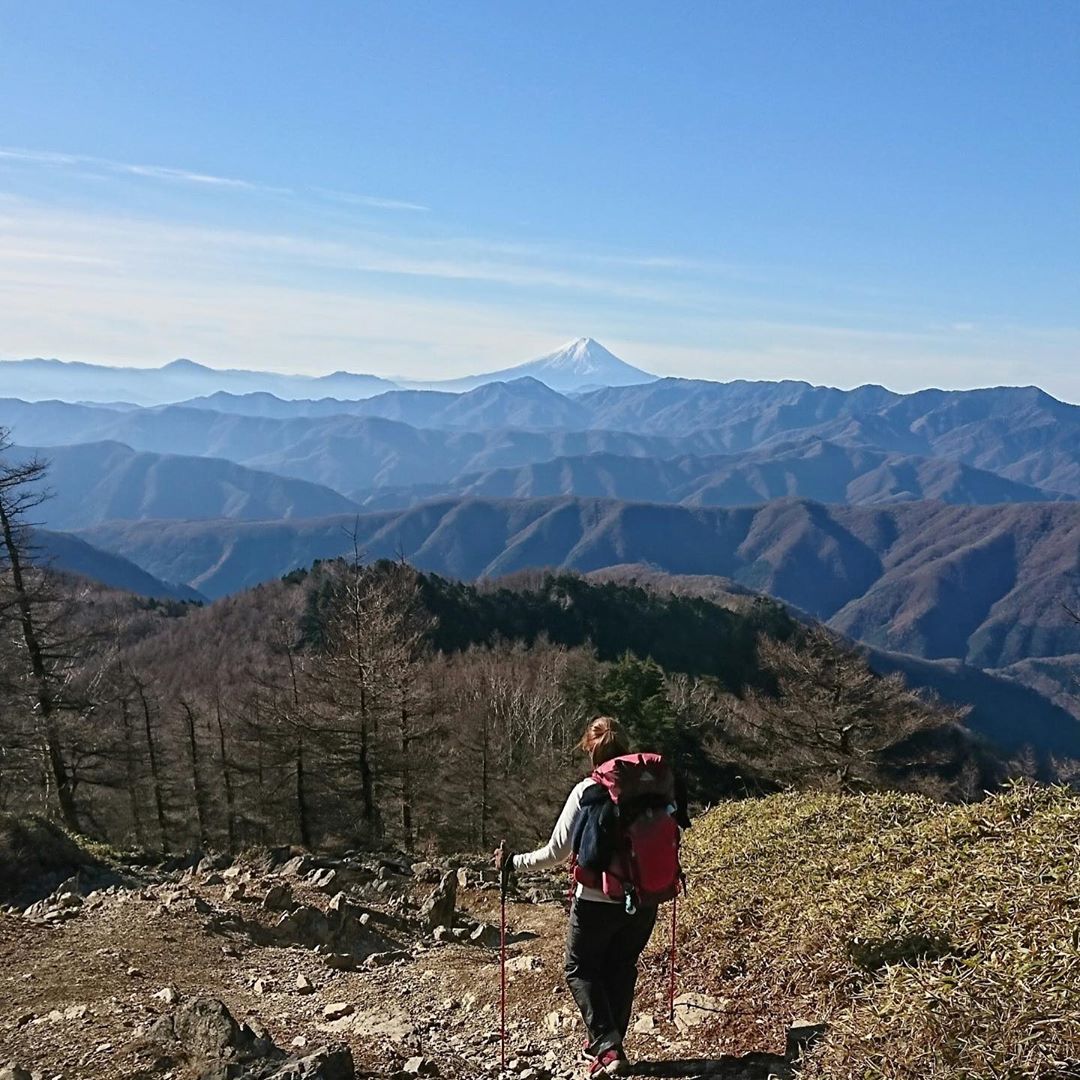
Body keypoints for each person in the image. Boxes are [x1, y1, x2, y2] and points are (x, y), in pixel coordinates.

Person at [495, 716, 658, 1078]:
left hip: (597, 901)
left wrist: (512, 862)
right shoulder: (649, 787)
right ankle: (610, 1046)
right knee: (621, 966)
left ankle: (607, 1046)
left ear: (590, 750)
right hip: (646, 899)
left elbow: (556, 851)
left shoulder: (588, 789)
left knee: (579, 968)